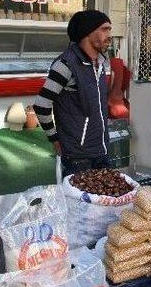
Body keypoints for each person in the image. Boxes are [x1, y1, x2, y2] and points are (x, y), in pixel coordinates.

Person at [34, 10, 113, 178]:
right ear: (88, 32)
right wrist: (54, 139)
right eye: (105, 29)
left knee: (106, 201)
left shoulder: (100, 63)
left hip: (101, 149)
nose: (109, 35)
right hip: (78, 156)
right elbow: (42, 104)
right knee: (77, 203)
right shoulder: (65, 64)